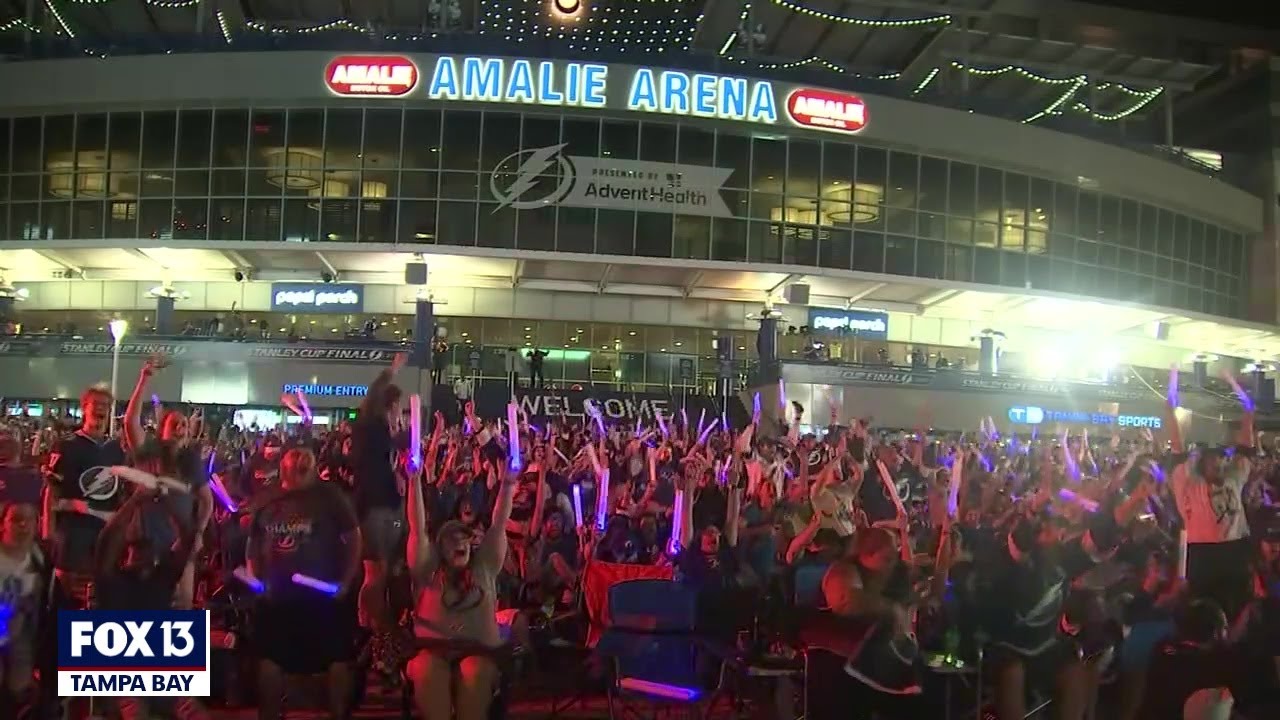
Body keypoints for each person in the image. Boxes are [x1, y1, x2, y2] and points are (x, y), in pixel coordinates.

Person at [405, 412, 518, 720]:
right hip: (432, 649)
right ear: (440, 547)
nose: (462, 543)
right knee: (426, 670)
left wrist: (508, 483)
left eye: (465, 539)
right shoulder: (427, 568)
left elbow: (499, 524)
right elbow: (416, 528)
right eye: (453, 538)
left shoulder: (485, 566)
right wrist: (414, 480)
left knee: (476, 672)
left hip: (479, 651)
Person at [247, 447, 362, 720]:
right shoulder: (268, 498)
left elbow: (354, 538)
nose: (300, 472)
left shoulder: (330, 496)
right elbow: (254, 542)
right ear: (284, 469)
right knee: (269, 662)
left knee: (337, 660)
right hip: (278, 598)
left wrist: (346, 581)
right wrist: (255, 578)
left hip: (322, 599)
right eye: (295, 467)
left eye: (305, 468)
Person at [123, 355, 213, 610]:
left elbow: (206, 501)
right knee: (140, 608)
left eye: (184, 424)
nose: (181, 428)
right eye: (175, 424)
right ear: (163, 429)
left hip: (178, 545)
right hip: (145, 546)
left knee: (181, 606)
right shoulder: (149, 451)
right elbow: (130, 422)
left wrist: (198, 533)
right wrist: (144, 379)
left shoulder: (190, 460)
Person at [42, 385, 127, 607]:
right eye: (96, 404)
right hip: (74, 532)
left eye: (106, 405)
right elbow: (51, 490)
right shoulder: (66, 445)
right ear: (84, 408)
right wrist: (48, 531)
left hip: (105, 533)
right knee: (68, 593)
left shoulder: (116, 450)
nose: (101, 409)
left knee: (99, 594)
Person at [350, 351, 407, 632]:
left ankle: (373, 622)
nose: (400, 412)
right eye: (399, 406)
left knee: (381, 570)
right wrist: (392, 370)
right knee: (375, 570)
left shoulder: (384, 433)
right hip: (373, 506)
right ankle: (367, 623)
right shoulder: (369, 427)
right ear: (390, 404)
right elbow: (374, 393)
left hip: (385, 504)